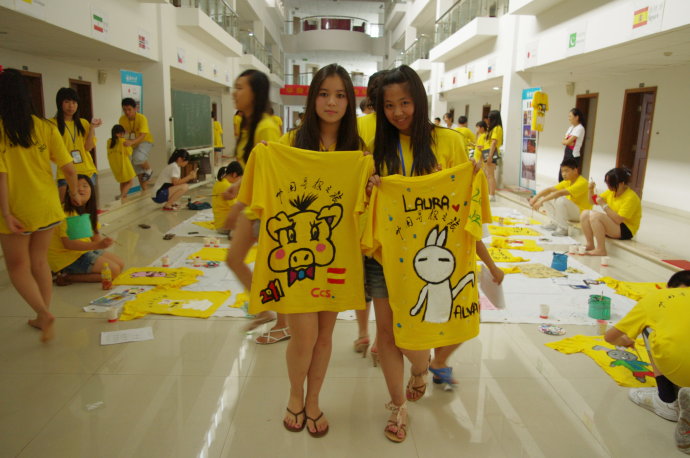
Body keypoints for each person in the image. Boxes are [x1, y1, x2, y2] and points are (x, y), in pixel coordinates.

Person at [366, 65, 493, 443]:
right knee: (386, 333)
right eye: (389, 105)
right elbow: (362, 195)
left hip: (432, 256)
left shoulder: (450, 142)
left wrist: (471, 175)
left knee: (413, 337)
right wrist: (371, 187)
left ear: (419, 101)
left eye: (405, 102)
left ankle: (421, 369)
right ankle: (397, 406)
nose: (398, 112)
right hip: (386, 254)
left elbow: (465, 198)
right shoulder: (376, 145)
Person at [253, 63, 364, 437]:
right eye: (324, 94)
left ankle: (313, 399)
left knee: (325, 336)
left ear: (349, 102)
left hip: (334, 256)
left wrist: (372, 182)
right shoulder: (287, 145)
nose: (331, 102)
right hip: (294, 261)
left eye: (340, 95)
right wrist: (264, 156)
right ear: (312, 97)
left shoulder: (357, 152)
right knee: (304, 336)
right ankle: (294, 394)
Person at [0, 68, 83, 342]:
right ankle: (43, 313)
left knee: (17, 266)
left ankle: (43, 314)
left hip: (17, 207)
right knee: (39, 261)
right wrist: (75, 194)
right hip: (47, 206)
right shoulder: (45, 127)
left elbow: (2, 175)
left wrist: (6, 213)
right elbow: (69, 168)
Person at [222, 69, 286, 339]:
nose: (234, 93)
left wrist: (237, 206)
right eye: (234, 87)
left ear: (255, 92)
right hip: (254, 206)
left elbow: (269, 173)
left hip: (268, 208)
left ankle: (283, 323)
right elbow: (252, 169)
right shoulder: (247, 125)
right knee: (234, 259)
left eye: (240, 88)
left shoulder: (266, 126)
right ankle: (263, 310)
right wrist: (237, 186)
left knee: (274, 267)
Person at [605, 270, 690, 454]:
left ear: (669, 287)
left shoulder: (657, 297)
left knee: (649, 331)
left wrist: (625, 341)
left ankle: (667, 400)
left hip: (682, 370)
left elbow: (610, 337)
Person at [49, 175, 124, 284]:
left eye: (85, 186)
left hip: (82, 251)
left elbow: (95, 235)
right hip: (67, 257)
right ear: (69, 192)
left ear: (91, 190)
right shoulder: (68, 212)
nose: (81, 189)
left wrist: (102, 244)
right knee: (114, 271)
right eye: (76, 187)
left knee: (120, 264)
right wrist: (98, 245)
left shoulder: (87, 209)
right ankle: (68, 276)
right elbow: (69, 244)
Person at [52, 87, 101, 202]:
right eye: (67, 102)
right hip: (65, 173)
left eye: (74, 102)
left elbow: (88, 147)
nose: (71, 106)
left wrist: (92, 128)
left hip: (87, 172)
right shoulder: (52, 124)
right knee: (65, 207)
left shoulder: (83, 123)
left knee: (87, 208)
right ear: (60, 103)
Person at [581, 167, 641, 256]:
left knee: (595, 216)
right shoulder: (611, 192)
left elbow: (618, 220)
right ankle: (590, 244)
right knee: (585, 213)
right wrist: (590, 190)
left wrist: (604, 205)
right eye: (607, 183)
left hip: (626, 229)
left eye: (611, 184)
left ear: (621, 183)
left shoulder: (631, 198)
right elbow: (592, 201)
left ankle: (601, 249)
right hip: (614, 223)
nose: (608, 187)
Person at [528, 158, 592, 237]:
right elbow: (549, 190)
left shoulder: (582, 183)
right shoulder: (567, 181)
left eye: (566, 171)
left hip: (582, 214)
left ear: (575, 170)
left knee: (560, 200)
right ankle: (554, 223)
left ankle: (563, 228)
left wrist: (540, 202)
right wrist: (535, 198)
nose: (563, 174)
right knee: (546, 197)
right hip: (572, 211)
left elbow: (560, 193)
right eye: (562, 171)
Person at [119, 98, 154, 191]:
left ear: (135, 109)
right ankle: (145, 190)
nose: (127, 112)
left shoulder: (142, 118)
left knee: (138, 158)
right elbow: (123, 134)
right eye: (124, 110)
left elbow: (143, 135)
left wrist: (131, 142)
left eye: (129, 109)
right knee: (138, 168)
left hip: (145, 141)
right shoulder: (122, 119)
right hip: (133, 144)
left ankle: (149, 170)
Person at [106, 124, 136, 202]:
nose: (123, 134)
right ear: (118, 133)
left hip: (115, 166)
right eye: (122, 133)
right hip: (124, 165)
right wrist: (128, 142)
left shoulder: (109, 142)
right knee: (130, 182)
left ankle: (123, 197)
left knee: (122, 182)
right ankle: (121, 196)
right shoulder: (123, 141)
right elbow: (129, 152)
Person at [212, 161, 243, 235]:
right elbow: (236, 208)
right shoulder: (227, 186)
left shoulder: (219, 183)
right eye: (239, 178)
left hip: (219, 225)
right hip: (225, 226)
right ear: (234, 174)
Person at [560, 108, 585, 181]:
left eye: (570, 116)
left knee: (569, 177)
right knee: (561, 176)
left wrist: (567, 142)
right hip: (567, 153)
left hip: (573, 155)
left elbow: (567, 142)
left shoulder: (580, 128)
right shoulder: (571, 128)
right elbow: (564, 141)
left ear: (576, 117)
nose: (569, 118)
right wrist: (568, 142)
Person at [484, 110, 503, 201]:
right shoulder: (493, 128)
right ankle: (489, 193)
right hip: (487, 152)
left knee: (490, 175)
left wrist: (490, 156)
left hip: (491, 153)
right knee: (488, 175)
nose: (488, 119)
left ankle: (492, 195)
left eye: (489, 118)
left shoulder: (497, 128)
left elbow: (494, 142)